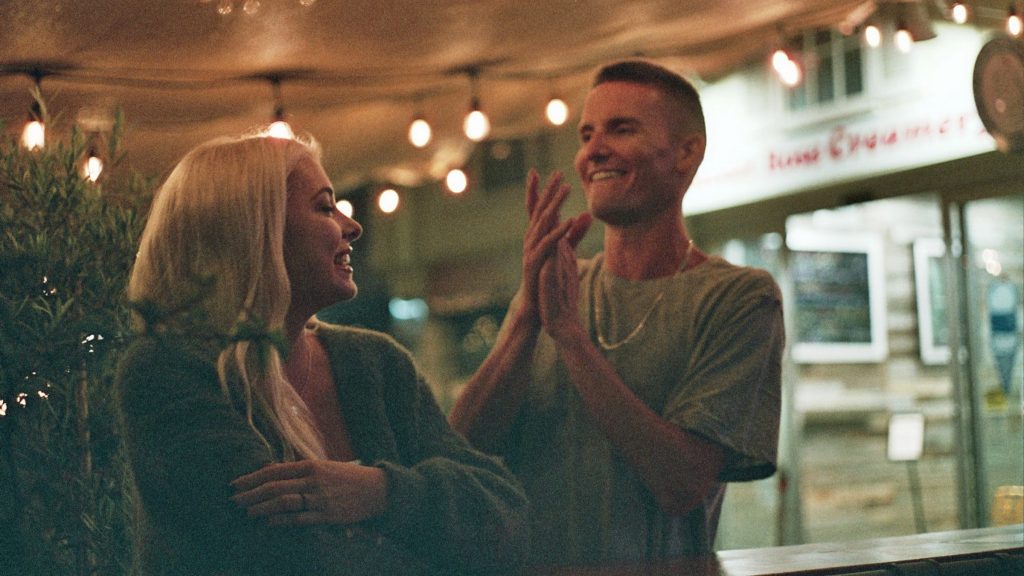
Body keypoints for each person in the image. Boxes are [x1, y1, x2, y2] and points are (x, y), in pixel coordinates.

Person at [116, 134, 528, 576]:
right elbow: (283, 557)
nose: (353, 227)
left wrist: (382, 492)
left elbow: (506, 519)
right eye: (324, 207)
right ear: (257, 229)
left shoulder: (375, 363)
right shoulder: (168, 371)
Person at [449, 60, 784, 565]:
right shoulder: (554, 291)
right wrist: (523, 317)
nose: (593, 151)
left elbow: (681, 484)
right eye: (587, 134)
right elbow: (457, 453)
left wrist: (570, 339)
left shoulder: (739, 297)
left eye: (621, 129)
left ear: (687, 153)